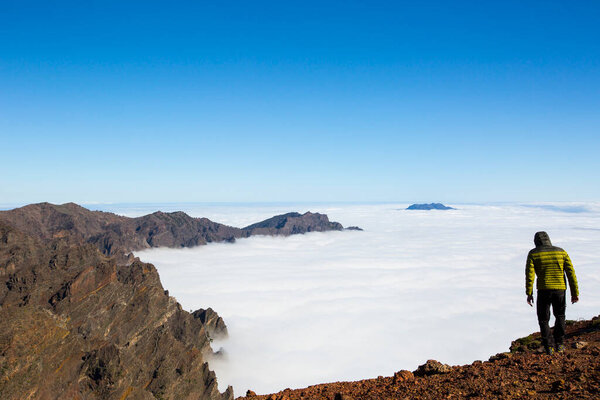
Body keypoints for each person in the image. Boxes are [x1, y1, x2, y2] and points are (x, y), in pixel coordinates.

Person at [525, 231, 579, 355]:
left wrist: (529, 293)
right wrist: (575, 293)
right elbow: (571, 274)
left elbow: (530, 275)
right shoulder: (561, 252)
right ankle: (559, 344)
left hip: (543, 290)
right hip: (560, 289)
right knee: (560, 316)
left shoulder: (533, 253)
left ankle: (549, 347)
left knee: (543, 319)